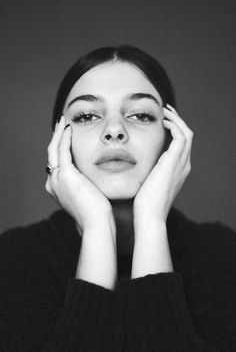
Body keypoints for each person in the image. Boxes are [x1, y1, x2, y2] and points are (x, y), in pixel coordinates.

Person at [0, 45, 235, 351]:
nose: (114, 130)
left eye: (140, 115)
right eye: (86, 116)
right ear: (58, 141)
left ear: (170, 141)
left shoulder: (221, 253)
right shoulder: (15, 258)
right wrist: (98, 231)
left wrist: (151, 222)